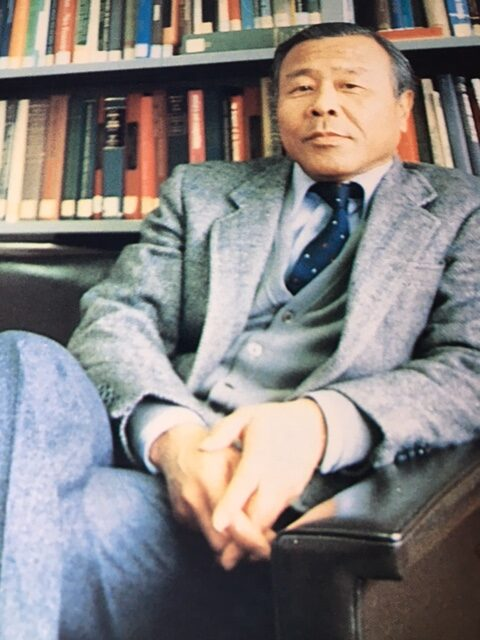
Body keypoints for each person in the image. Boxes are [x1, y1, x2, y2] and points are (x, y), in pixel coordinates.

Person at [1, 21, 478, 639]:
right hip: (149, 454)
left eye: (351, 86)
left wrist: (321, 422)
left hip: (281, 509)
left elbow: (469, 366)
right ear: (277, 107)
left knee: (49, 523)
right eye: (301, 87)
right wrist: (173, 439)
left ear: (403, 107)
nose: (324, 104)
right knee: (20, 357)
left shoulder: (462, 210)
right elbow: (119, 316)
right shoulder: (200, 192)